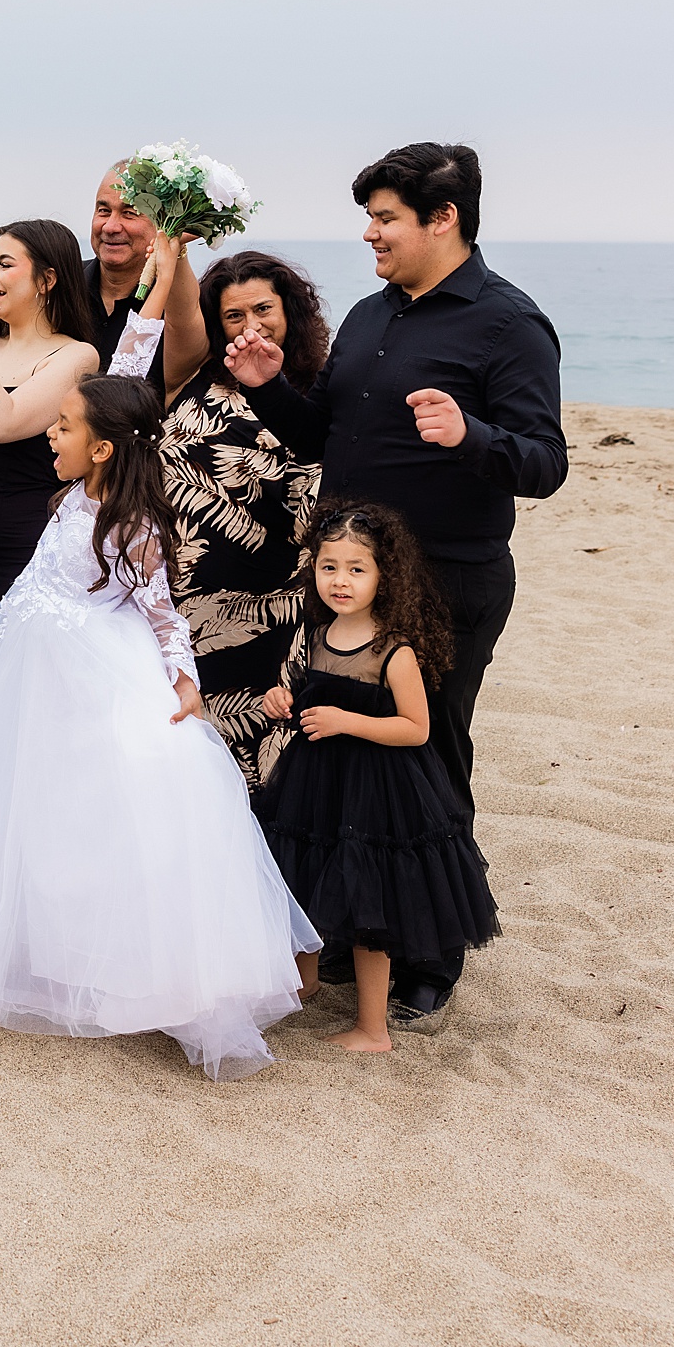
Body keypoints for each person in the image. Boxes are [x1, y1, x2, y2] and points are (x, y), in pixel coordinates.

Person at [0, 371, 319, 1079]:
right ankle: (45, 948)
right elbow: (132, 358)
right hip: (37, 675)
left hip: (94, 672)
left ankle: (138, 971)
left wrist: (186, 679)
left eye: (66, 426)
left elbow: (163, 609)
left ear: (103, 448)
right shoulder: (74, 494)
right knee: (43, 804)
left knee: (109, 804)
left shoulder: (131, 527)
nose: (52, 431)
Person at [223, 141, 566, 1028]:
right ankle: (347, 929)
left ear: (442, 218)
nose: (369, 234)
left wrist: (470, 436)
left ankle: (428, 951)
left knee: (422, 756)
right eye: (369, 218)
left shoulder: (508, 324)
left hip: (445, 579)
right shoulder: (373, 316)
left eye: (385, 218)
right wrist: (267, 390)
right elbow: (324, 433)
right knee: (334, 754)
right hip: (345, 579)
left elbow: (545, 463)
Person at [0, 220, 180, 765]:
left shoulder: (76, 357)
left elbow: (2, 422)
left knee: (3, 708)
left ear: (47, 279)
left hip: (19, 550)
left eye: (6, 264)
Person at [256, 501, 500, 1052]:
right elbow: (317, 703)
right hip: (317, 782)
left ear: (384, 575)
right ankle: (308, 979)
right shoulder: (319, 637)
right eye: (329, 567)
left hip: (377, 789)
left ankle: (372, 1028)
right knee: (305, 878)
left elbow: (416, 728)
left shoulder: (394, 650)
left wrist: (347, 721)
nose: (340, 581)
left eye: (356, 569)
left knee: (368, 907)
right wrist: (286, 703)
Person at [157, 250, 330, 784]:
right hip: (182, 602)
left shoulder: (317, 390)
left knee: (261, 754)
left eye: (263, 310)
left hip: (272, 609)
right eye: (235, 316)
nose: (251, 326)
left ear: (290, 312)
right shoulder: (193, 380)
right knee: (182, 747)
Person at [84, 162, 210, 396]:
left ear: (163, 223)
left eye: (130, 213)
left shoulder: (180, 307)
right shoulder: (58, 283)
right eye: (103, 211)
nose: (110, 226)